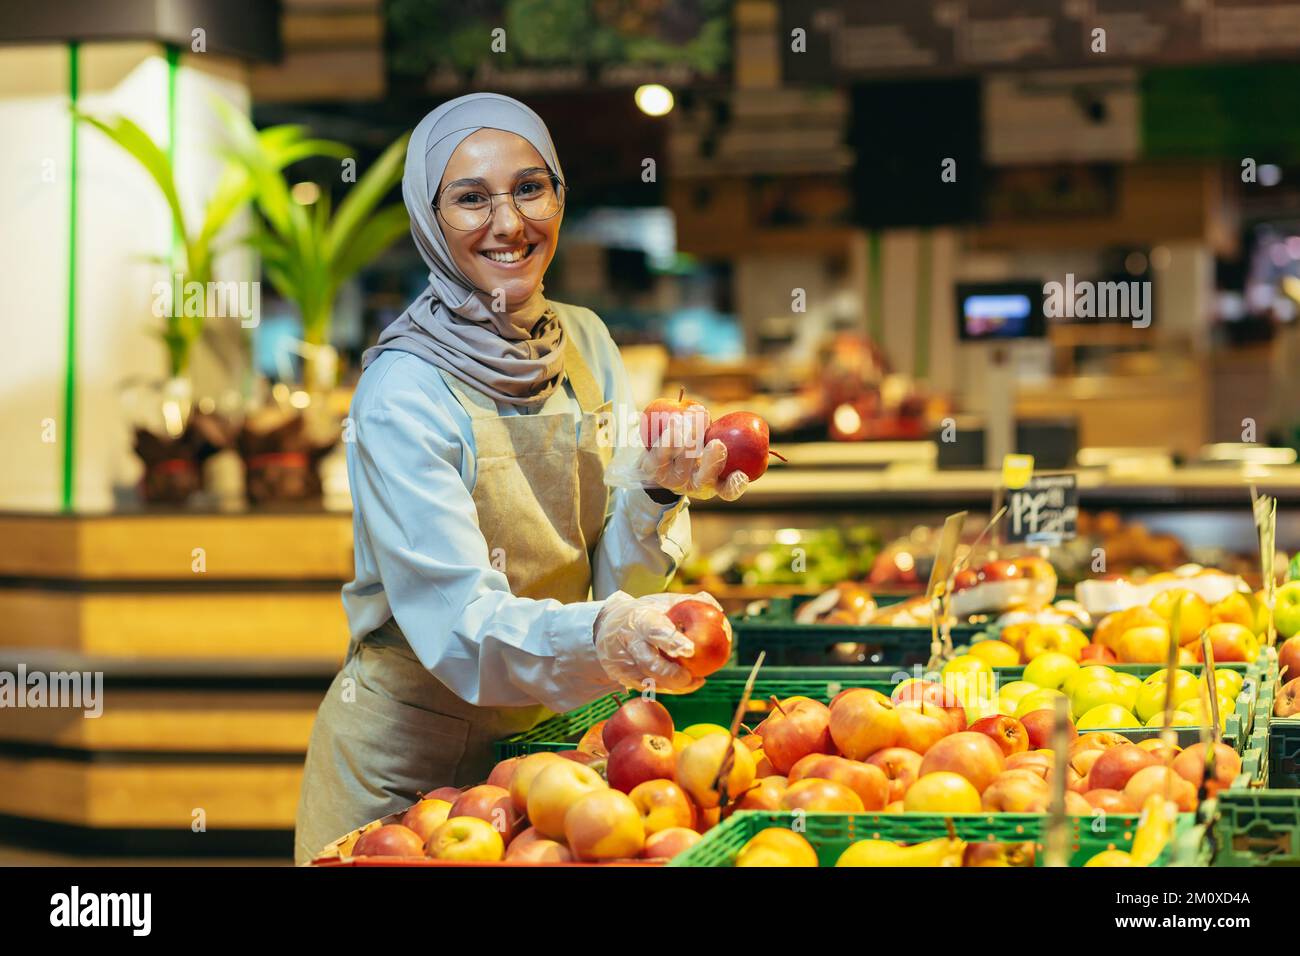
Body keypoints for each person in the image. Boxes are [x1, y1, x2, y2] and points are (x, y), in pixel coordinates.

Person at [294, 92, 747, 864]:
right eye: (470, 198)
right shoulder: (402, 391)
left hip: (557, 752)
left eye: (530, 188)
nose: (508, 223)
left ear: (560, 196)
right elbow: (461, 629)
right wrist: (607, 637)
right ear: (430, 219)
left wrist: (658, 492)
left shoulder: (590, 345)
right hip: (409, 767)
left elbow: (613, 579)